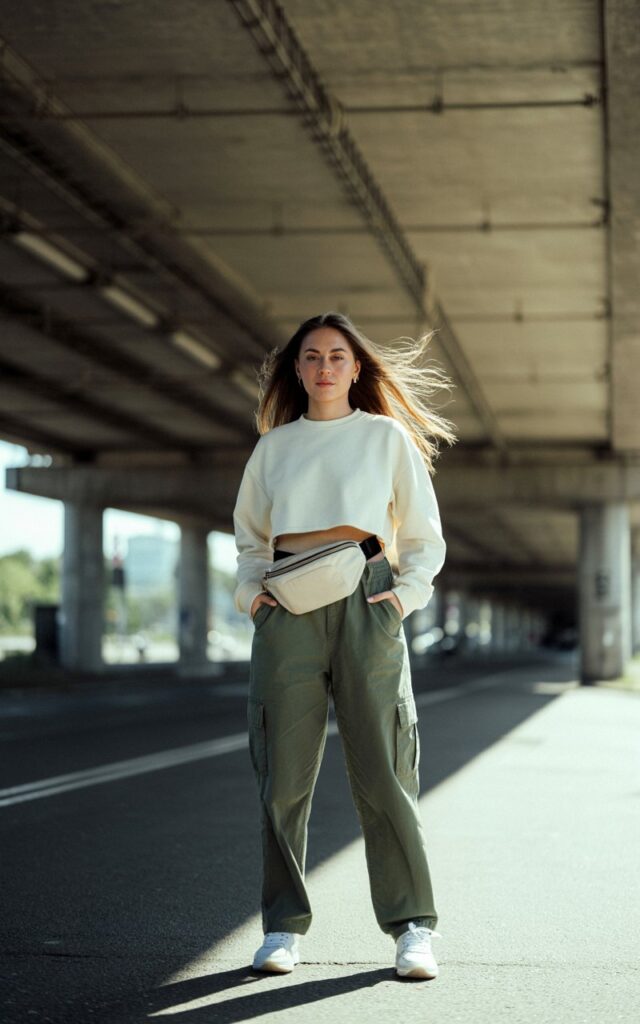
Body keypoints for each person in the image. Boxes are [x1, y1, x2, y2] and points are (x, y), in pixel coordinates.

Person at [232, 311, 456, 979]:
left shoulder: (385, 437)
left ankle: (412, 926)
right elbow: (249, 540)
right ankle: (282, 928)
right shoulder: (273, 447)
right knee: (283, 778)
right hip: (289, 605)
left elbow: (423, 534)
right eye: (311, 356)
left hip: (368, 596)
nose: (325, 366)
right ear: (295, 370)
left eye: (337, 355)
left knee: (386, 769)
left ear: (356, 368)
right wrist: (254, 598)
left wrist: (405, 596)